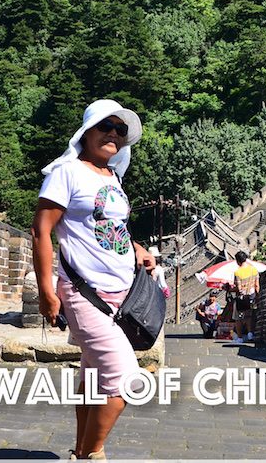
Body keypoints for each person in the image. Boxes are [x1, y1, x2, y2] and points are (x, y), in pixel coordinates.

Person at [31, 99, 157, 461]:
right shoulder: (67, 172)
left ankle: (80, 450)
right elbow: (42, 232)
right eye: (107, 126)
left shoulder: (113, 178)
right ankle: (90, 455)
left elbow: (109, 226)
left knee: (94, 382)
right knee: (124, 380)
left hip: (123, 293)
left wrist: (137, 248)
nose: (114, 135)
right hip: (85, 292)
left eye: (121, 130)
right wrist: (45, 291)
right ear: (87, 131)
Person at [231, 251, 259, 343]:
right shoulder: (253, 270)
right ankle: (250, 334)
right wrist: (257, 296)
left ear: (237, 261)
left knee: (238, 318)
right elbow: (257, 286)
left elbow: (239, 288)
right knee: (249, 316)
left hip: (241, 298)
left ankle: (239, 338)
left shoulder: (238, 272)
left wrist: (229, 289)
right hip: (252, 296)